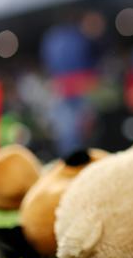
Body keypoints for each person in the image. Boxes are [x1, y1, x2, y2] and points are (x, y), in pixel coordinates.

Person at [41, 22, 100, 158]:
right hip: (72, 94)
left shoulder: (53, 39)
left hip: (74, 93)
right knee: (74, 140)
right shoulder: (74, 37)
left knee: (77, 139)